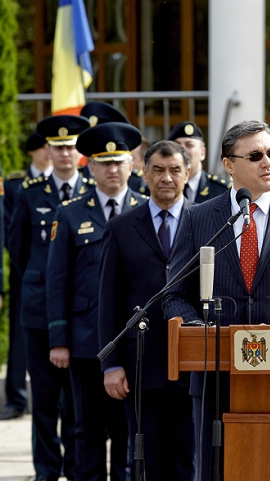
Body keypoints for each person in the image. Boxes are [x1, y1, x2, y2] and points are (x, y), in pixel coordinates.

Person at [162, 120, 270, 481]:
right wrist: (199, 329)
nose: (268, 162)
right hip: (216, 376)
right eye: (256, 155)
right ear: (229, 165)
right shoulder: (199, 217)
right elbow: (175, 294)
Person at [46, 122, 148, 481]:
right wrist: (58, 340)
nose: (113, 170)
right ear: (90, 167)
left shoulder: (145, 209)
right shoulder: (70, 213)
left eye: (120, 161)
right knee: (85, 429)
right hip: (86, 340)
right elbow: (57, 280)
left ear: (132, 165)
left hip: (132, 339)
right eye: (104, 163)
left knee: (127, 429)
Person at [98, 140, 194, 481]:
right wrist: (111, 365)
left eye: (174, 170)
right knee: (146, 461)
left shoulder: (209, 222)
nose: (166, 178)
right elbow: (109, 301)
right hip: (141, 365)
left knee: (189, 458)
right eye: (158, 170)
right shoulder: (122, 227)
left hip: (193, 365)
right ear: (144, 174)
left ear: (187, 174)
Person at [8, 115, 94, 481]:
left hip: (79, 312)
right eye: (57, 147)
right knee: (43, 399)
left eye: (71, 147)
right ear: (48, 150)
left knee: (76, 401)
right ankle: (46, 469)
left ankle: (77, 468)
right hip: (39, 311)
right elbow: (17, 248)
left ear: (80, 153)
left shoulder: (91, 191)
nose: (63, 153)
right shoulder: (29, 193)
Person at [0, 131, 51, 421]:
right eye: (44, 147)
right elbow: (12, 236)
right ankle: (16, 397)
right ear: (32, 151)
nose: (49, 152)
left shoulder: (68, 184)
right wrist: (29, 270)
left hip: (57, 276)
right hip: (27, 276)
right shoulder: (15, 184)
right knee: (20, 339)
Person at [166, 121, 231, 202]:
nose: (182, 150)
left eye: (189, 145)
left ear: (202, 153)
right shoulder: (157, 190)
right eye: (177, 145)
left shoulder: (222, 191)